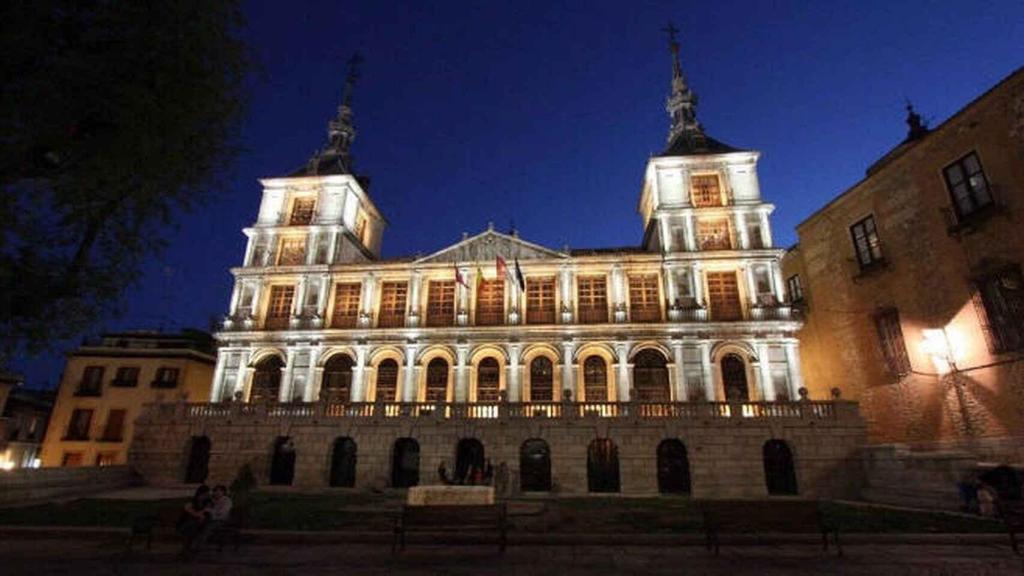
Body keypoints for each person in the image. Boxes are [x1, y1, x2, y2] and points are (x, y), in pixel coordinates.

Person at [190, 485, 233, 552]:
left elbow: (223, 512)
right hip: (209, 519)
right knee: (197, 525)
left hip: (221, 520)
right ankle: (192, 545)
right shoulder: (212, 500)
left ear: (223, 492)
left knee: (207, 528)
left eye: (219, 491)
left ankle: (197, 547)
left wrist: (211, 511)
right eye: (215, 491)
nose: (217, 493)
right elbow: (203, 508)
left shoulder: (226, 500)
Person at [177, 484, 211, 552]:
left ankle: (188, 548)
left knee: (198, 527)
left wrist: (201, 514)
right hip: (187, 522)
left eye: (206, 494)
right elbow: (188, 510)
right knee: (192, 526)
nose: (205, 496)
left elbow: (207, 511)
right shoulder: (192, 501)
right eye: (204, 494)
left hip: (198, 524)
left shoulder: (207, 502)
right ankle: (188, 548)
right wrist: (199, 514)